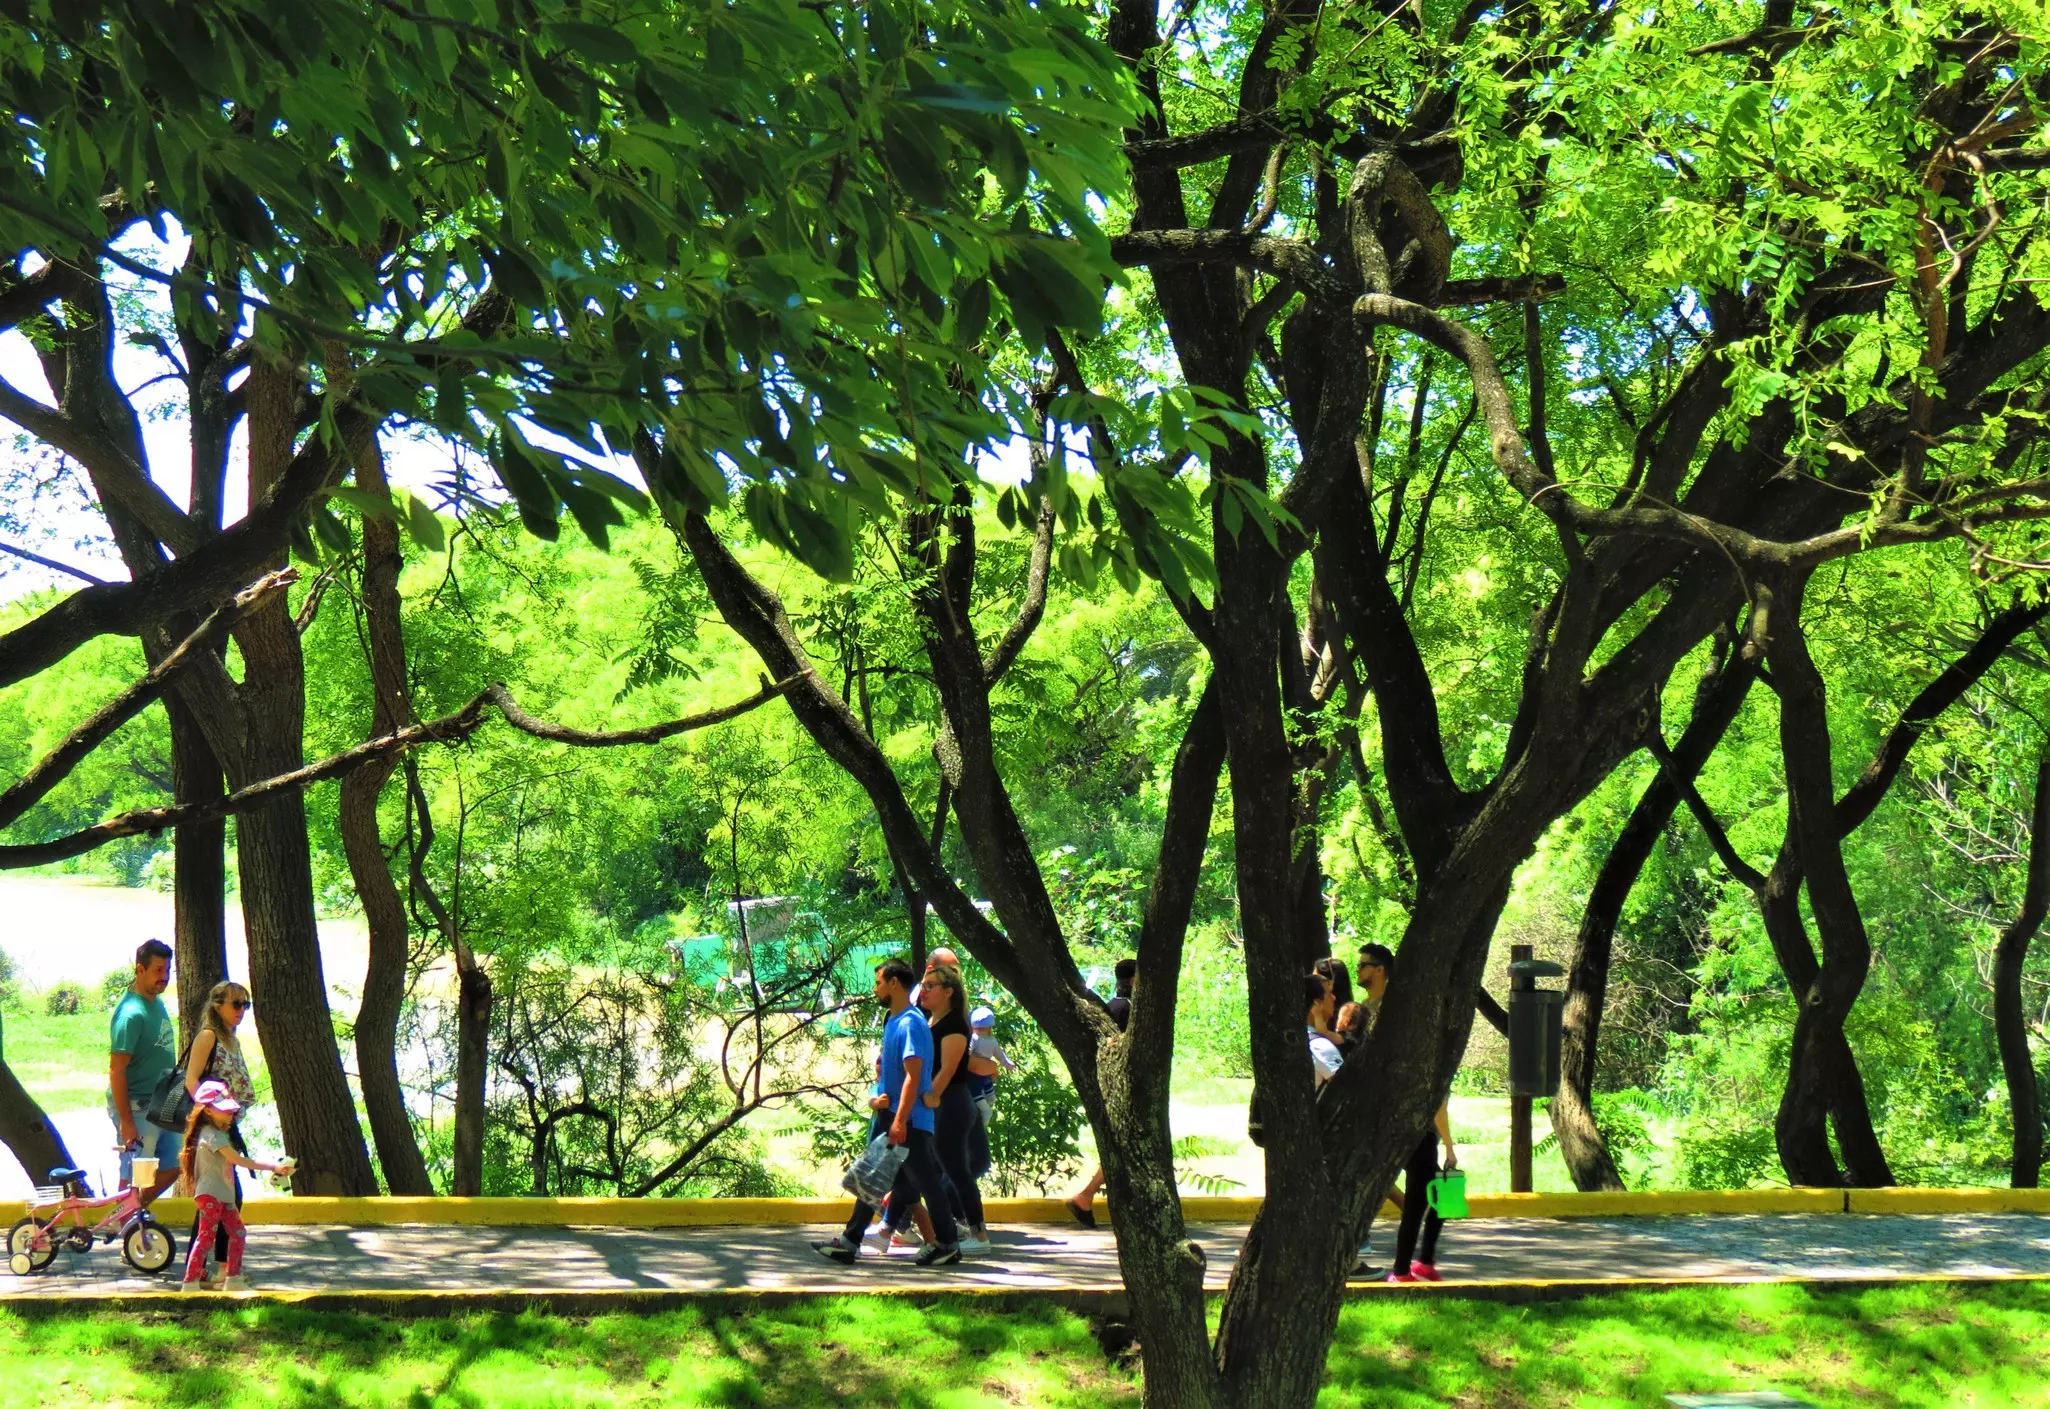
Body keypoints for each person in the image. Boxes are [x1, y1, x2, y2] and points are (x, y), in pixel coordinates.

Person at [814, 959, 961, 1268]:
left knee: (927, 1186)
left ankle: (947, 1244)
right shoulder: (892, 1020)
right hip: (893, 1116)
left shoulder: (910, 1022)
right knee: (873, 1180)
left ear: (895, 983)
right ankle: (851, 1241)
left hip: (908, 1122)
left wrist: (898, 1121)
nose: (875, 988)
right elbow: (889, 1074)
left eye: (879, 982)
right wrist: (876, 1097)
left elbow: (913, 1075)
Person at [876, 967, 989, 1254]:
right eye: (923, 985)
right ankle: (890, 1228)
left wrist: (929, 1097)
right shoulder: (928, 1019)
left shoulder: (954, 1025)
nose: (923, 991)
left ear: (949, 992)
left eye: (931, 986)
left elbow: (947, 1069)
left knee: (955, 1171)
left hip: (949, 1104)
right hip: (934, 1104)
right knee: (914, 1169)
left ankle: (979, 1235)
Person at [178, 1080, 290, 1293]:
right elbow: (237, 1160)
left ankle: (233, 1277)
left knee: (237, 1232)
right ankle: (190, 1281)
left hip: (223, 1195)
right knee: (206, 1237)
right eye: (225, 1111)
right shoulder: (212, 1136)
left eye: (230, 1111)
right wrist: (272, 1166)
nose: (230, 1115)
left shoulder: (216, 1133)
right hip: (211, 1195)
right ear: (208, 1111)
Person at [183, 981, 257, 1280]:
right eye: (235, 1004)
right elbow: (192, 1081)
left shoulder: (232, 1039)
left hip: (228, 1124)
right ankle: (219, 1269)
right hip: (211, 1128)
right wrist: (211, 1116)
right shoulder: (208, 1037)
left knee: (219, 1198)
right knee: (224, 1196)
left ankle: (206, 1268)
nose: (241, 1010)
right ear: (217, 1005)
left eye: (245, 1005)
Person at [107, 939, 180, 1206]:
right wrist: (126, 1121)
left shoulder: (156, 1002)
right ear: (140, 970)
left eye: (167, 971)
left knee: (175, 1164)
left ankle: (132, 1217)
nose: (164, 977)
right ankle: (125, 1223)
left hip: (165, 1102)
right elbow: (116, 1071)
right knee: (136, 1175)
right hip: (137, 1108)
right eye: (158, 970)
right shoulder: (130, 1015)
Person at [1066, 957, 1136, 1228]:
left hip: (1113, 1087)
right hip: (1122, 1089)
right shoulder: (1126, 1009)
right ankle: (1086, 1195)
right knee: (1123, 1146)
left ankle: (1089, 1196)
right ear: (1132, 980)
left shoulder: (1113, 1006)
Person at [965, 1004, 1015, 1183]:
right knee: (987, 1110)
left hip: (983, 1077)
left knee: (990, 1099)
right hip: (975, 1081)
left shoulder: (985, 1041)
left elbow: (1000, 1056)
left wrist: (1006, 1064)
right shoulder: (976, 1040)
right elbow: (967, 1057)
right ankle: (980, 1129)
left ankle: (981, 1124)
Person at [1306, 972, 1343, 1085]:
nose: (1334, 997)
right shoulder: (1319, 1045)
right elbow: (1347, 1088)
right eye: (1330, 993)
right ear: (1317, 1003)